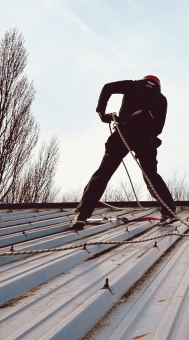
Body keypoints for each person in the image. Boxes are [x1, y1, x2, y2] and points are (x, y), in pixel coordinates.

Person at [71, 75, 177, 230]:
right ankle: (169, 211)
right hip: (146, 139)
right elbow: (159, 128)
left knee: (104, 172)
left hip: (124, 132)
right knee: (151, 175)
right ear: (158, 85)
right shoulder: (162, 99)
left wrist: (102, 112)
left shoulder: (133, 85)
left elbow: (108, 87)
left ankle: (82, 214)